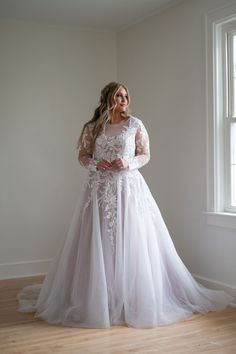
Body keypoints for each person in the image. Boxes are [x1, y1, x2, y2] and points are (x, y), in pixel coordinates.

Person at [17, 82, 234, 328]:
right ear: (107, 98)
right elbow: (83, 155)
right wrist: (94, 164)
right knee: (99, 240)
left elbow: (146, 154)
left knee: (130, 238)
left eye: (126, 95)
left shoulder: (135, 125)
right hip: (99, 189)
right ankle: (98, 297)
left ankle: (132, 297)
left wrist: (127, 163)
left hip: (128, 188)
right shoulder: (93, 127)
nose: (124, 99)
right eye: (118, 95)